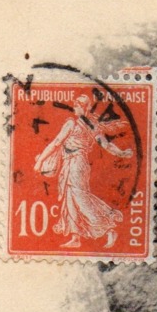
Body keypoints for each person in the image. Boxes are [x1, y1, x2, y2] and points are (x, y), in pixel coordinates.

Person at [34, 94, 133, 249]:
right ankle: (75, 238)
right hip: (75, 163)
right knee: (70, 198)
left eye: (79, 104)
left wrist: (40, 161)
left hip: (76, 164)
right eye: (75, 103)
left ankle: (108, 228)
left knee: (80, 198)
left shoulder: (73, 124)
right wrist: (121, 153)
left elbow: (56, 143)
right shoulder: (91, 126)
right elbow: (106, 145)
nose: (75, 105)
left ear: (86, 108)